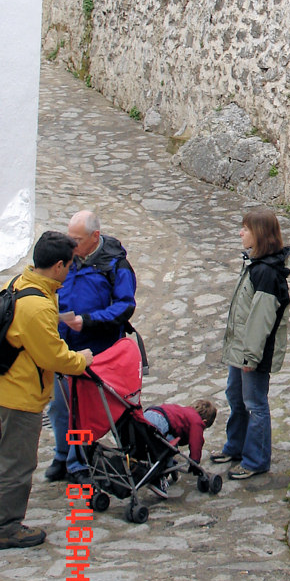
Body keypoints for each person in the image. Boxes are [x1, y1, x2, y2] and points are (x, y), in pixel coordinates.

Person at [0, 232, 93, 548]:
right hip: (19, 397)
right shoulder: (37, 307)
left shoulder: (15, 285)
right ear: (57, 266)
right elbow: (51, 356)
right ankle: (7, 527)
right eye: (69, 265)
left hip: (5, 387)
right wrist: (81, 360)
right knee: (17, 463)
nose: (70, 271)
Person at [45, 210, 136, 482]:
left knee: (83, 409)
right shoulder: (67, 258)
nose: (71, 244)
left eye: (76, 239)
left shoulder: (116, 265)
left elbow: (125, 305)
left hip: (96, 350)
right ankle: (63, 455)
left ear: (94, 237)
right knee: (59, 406)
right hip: (64, 347)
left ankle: (79, 461)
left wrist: (89, 320)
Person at [212, 207, 290, 480]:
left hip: (253, 354)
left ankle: (256, 459)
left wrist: (250, 358)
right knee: (235, 397)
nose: (240, 233)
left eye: (245, 229)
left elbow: (260, 321)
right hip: (242, 351)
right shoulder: (255, 266)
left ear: (258, 235)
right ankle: (236, 447)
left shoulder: (267, 274)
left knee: (254, 404)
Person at [142, 399, 217, 465]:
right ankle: (167, 466)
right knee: (170, 446)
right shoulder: (197, 421)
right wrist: (195, 461)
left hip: (149, 414)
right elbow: (196, 441)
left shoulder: (183, 411)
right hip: (161, 422)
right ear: (204, 421)